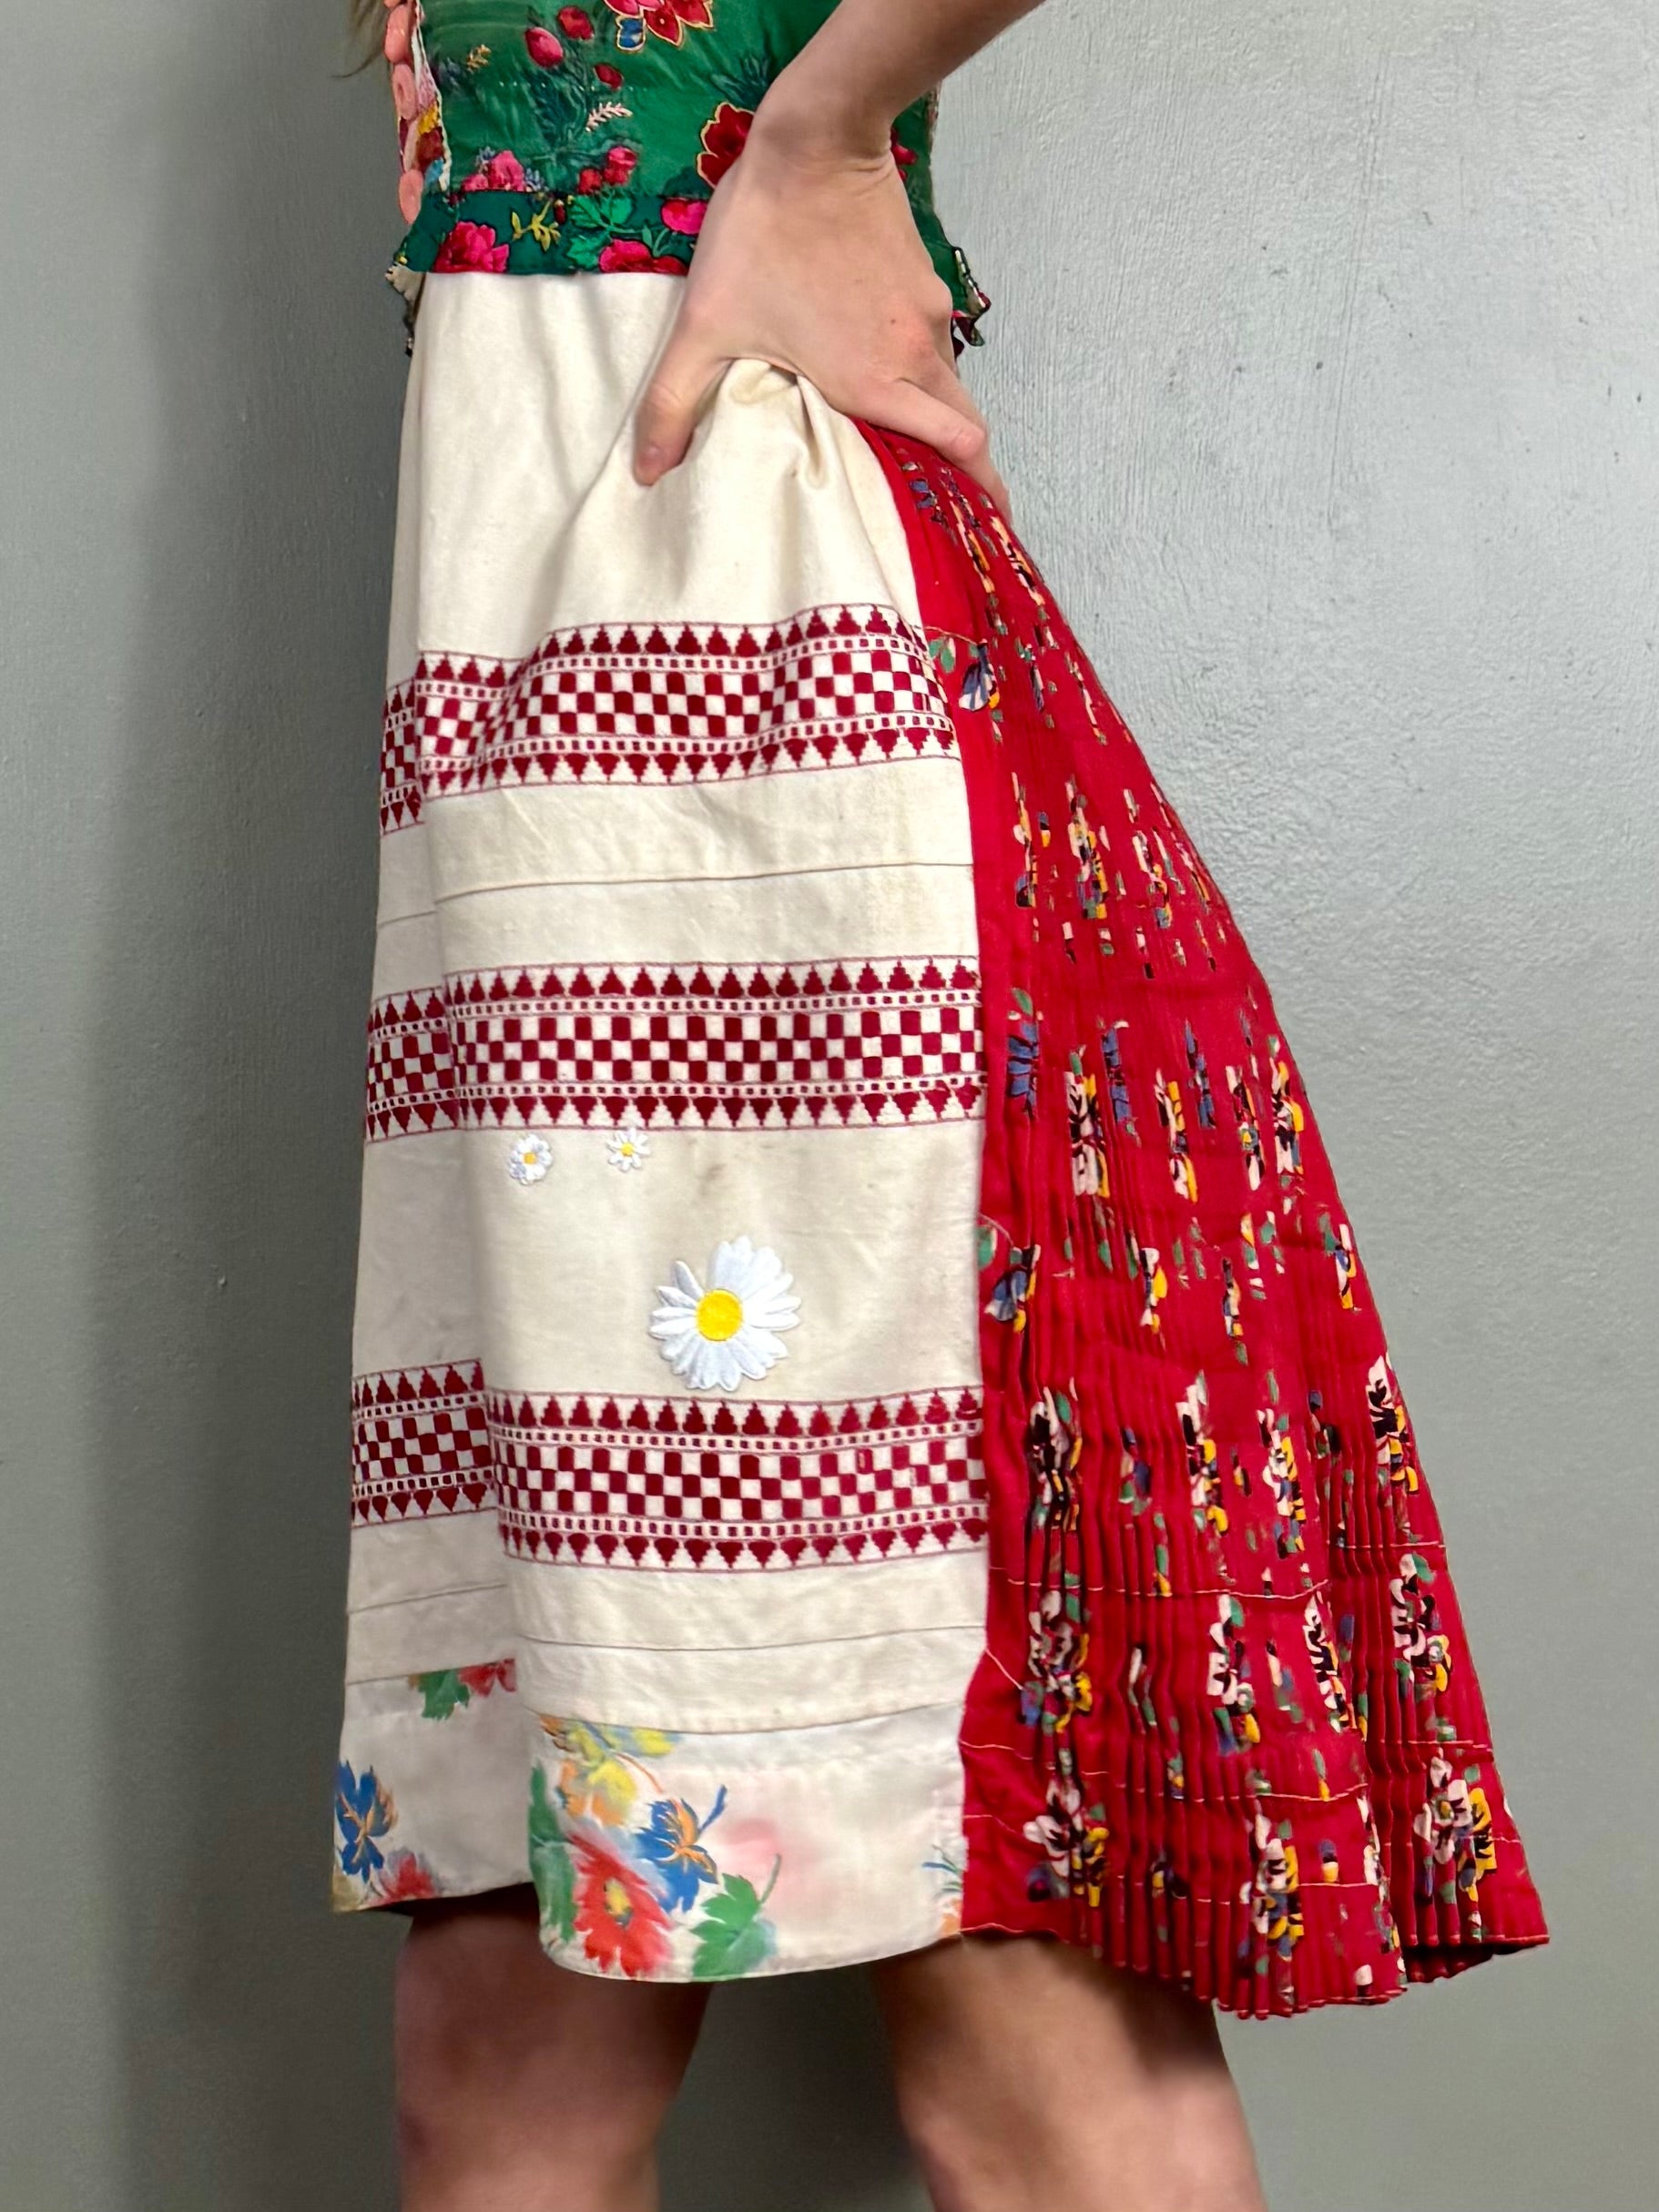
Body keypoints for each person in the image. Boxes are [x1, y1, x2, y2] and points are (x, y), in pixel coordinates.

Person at [332, 3, 1548, 2205]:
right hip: (543, 752)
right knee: (504, 2034)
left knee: (1003, 1979)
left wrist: (815, 137)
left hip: (754, 717)